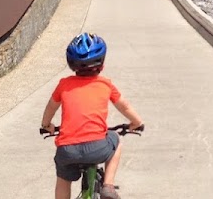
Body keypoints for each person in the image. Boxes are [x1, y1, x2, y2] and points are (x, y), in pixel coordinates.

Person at [42, 33, 144, 199]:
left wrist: (47, 125)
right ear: (101, 65)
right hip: (98, 147)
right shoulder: (105, 84)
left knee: (63, 179)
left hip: (68, 151)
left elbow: (51, 107)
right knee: (116, 140)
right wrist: (136, 122)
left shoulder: (64, 85)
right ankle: (108, 186)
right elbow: (124, 106)